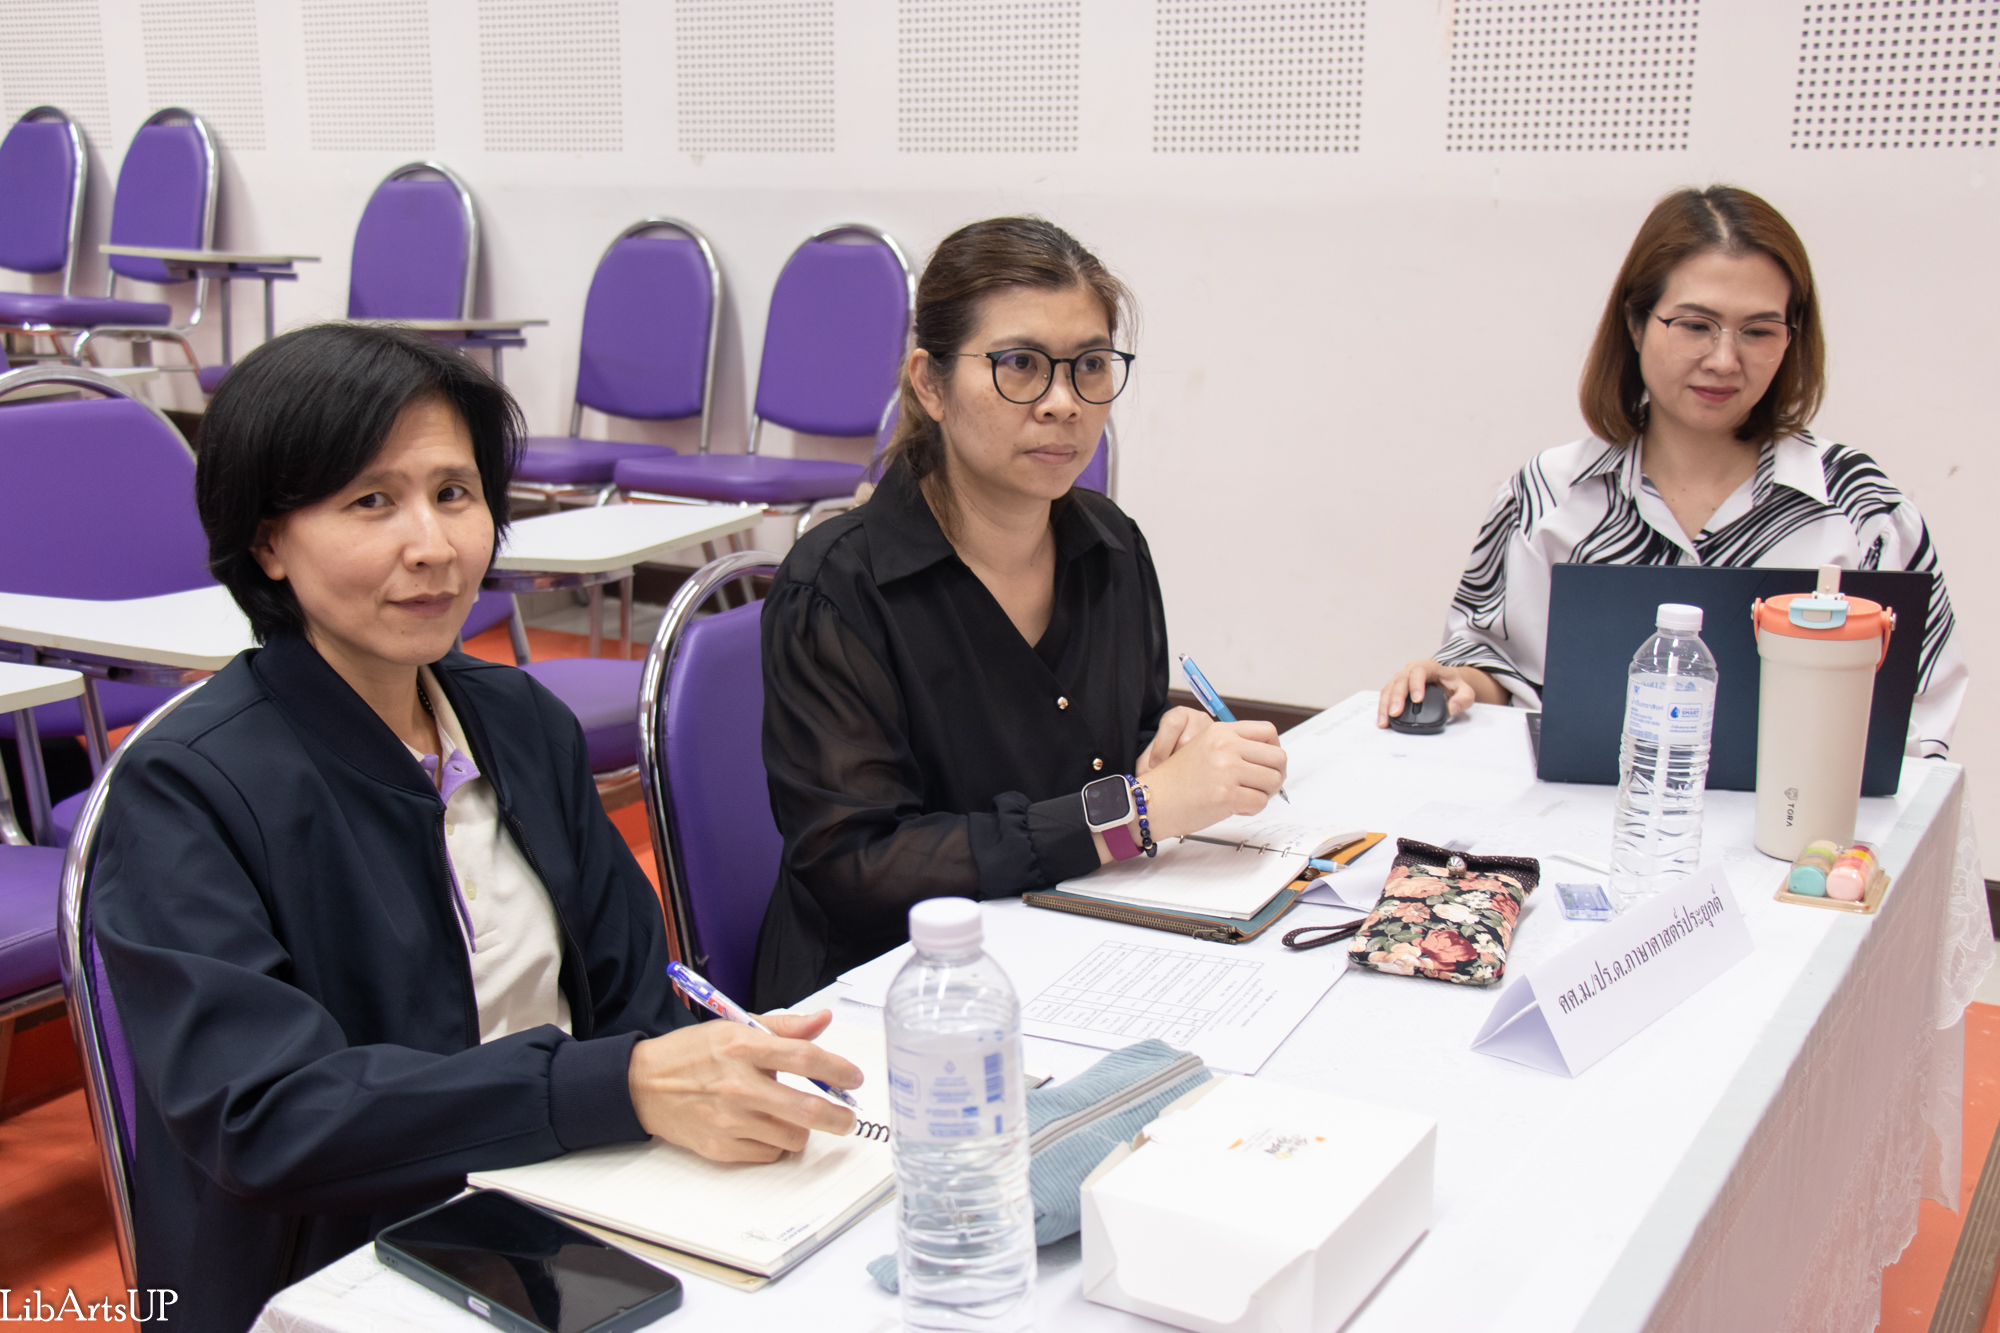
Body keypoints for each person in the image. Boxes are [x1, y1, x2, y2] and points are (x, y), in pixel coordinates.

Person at [91, 324, 864, 1332]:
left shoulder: (519, 721)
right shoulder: (185, 786)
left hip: (570, 1206)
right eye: (372, 501)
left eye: (454, 493)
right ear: (268, 541)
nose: (434, 545)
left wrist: (704, 1076)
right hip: (342, 1268)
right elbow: (268, 1117)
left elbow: (634, 995)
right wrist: (617, 1084)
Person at [753, 217, 1289, 1008]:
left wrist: (1163, 743)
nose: (1063, 403)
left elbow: (1112, 750)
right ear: (930, 383)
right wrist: (1133, 813)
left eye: (1091, 365)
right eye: (1021, 365)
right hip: (887, 996)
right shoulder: (836, 586)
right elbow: (859, 864)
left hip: (1076, 950)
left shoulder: (1113, 547)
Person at [1379, 185, 1964, 756]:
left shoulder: (1861, 509)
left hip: (1796, 819)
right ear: (1636, 324)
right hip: (1573, 815)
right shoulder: (1546, 495)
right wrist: (1458, 682)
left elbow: (1918, 723)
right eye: (1694, 325)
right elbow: (1495, 665)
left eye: (1759, 331)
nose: (1724, 360)